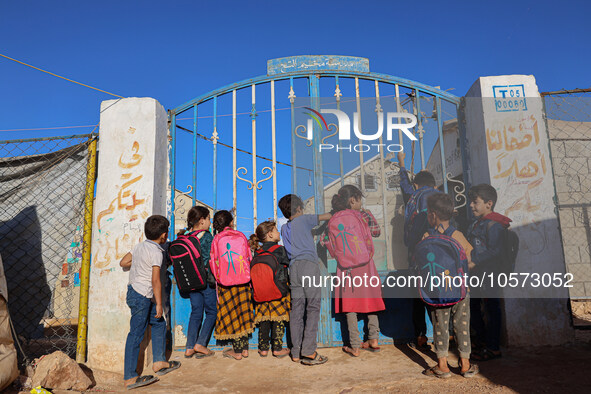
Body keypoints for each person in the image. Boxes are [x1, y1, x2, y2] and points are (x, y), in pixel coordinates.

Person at [420, 193, 479, 378]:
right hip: (461, 290)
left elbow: (419, 262)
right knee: (462, 325)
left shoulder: (426, 235)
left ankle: (443, 366)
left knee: (440, 326)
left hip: (438, 291)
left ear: (433, 215)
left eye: (428, 213)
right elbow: (469, 260)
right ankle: (465, 365)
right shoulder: (458, 235)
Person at [120, 215, 180, 390]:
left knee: (158, 322)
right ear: (163, 235)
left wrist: (139, 262)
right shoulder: (156, 252)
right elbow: (156, 281)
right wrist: (160, 303)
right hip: (143, 295)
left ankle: (159, 361)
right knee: (136, 334)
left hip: (137, 292)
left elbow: (123, 261)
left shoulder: (139, 247)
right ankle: (130, 377)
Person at [325, 185, 385, 357]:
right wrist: (368, 215)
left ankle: (355, 345)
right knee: (371, 299)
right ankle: (373, 338)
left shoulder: (334, 219)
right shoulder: (363, 215)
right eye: (360, 200)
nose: (361, 203)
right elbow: (376, 231)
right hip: (366, 265)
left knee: (350, 305)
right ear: (353, 200)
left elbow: (326, 242)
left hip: (346, 268)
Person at [278, 194, 331, 365]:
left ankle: (296, 351)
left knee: (297, 310)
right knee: (313, 307)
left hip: (294, 269)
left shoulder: (285, 229)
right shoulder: (305, 219)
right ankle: (309, 351)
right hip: (309, 265)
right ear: (299, 208)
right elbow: (328, 216)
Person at [398, 151, 440, 349]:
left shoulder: (412, 196)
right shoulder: (439, 194)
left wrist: (401, 163)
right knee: (440, 293)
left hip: (416, 252)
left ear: (417, 185)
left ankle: (421, 336)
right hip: (440, 251)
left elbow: (405, 185)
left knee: (418, 295)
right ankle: (445, 335)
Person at [467, 184, 511, 362]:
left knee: (492, 308)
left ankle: (493, 347)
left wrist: (475, 261)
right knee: (474, 307)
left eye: (475, 202)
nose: (471, 205)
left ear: (489, 203)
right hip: (476, 274)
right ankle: (481, 342)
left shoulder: (494, 225)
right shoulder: (477, 223)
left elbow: (495, 250)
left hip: (489, 274)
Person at [209, 210, 254, 360]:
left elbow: (213, 262)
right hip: (243, 281)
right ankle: (245, 349)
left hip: (225, 283)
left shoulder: (216, 239)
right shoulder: (240, 235)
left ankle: (237, 351)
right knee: (243, 312)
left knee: (233, 315)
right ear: (230, 223)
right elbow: (249, 257)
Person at [248, 221, 291, 358]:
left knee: (264, 320)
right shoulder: (280, 249)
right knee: (278, 319)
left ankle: (263, 348)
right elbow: (287, 264)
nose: (279, 233)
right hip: (278, 291)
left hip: (260, 292)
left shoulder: (258, 252)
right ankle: (277, 348)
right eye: (276, 230)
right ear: (270, 234)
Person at [179, 206, 216, 359]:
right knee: (212, 312)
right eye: (208, 219)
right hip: (205, 281)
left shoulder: (185, 236)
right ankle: (200, 343)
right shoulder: (207, 236)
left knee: (195, 313)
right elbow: (210, 258)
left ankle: (189, 347)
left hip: (191, 282)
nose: (210, 222)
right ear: (202, 221)